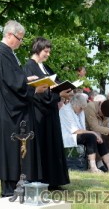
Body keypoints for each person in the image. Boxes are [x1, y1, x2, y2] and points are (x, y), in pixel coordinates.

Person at [0, 20, 48, 197]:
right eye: (19, 38)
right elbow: (11, 84)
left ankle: (18, 185)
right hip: (9, 112)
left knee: (16, 149)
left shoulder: (6, 53)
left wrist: (26, 79)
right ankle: (11, 190)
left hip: (8, 109)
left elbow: (13, 79)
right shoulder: (2, 54)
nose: (20, 42)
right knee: (12, 150)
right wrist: (33, 89)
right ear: (9, 35)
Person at [23, 37, 71, 190]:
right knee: (43, 146)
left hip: (50, 112)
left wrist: (66, 90)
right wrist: (58, 95)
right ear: (38, 49)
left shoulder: (47, 68)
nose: (48, 54)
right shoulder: (28, 67)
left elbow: (56, 84)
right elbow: (36, 92)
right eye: (46, 51)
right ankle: (43, 179)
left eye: (49, 52)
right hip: (39, 113)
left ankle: (54, 180)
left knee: (54, 145)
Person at [59, 93, 109, 173]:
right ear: (75, 105)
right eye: (81, 108)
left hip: (77, 134)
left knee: (98, 137)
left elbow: (82, 129)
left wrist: (96, 134)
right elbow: (75, 130)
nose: (82, 110)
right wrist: (94, 133)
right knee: (91, 136)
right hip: (68, 136)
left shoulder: (79, 110)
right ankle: (93, 167)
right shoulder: (66, 110)